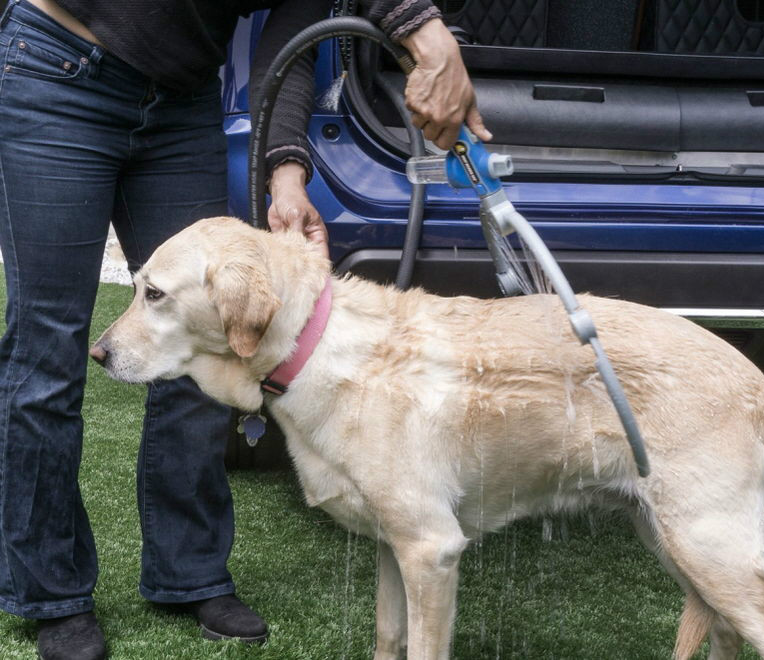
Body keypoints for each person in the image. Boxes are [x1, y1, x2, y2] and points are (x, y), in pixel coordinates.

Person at [0, 1, 488, 658]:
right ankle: (51, 593)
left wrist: (287, 176)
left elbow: (287, 55)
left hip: (179, 98)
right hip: (55, 72)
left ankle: (188, 571)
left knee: (213, 342)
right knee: (46, 354)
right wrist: (416, 24)